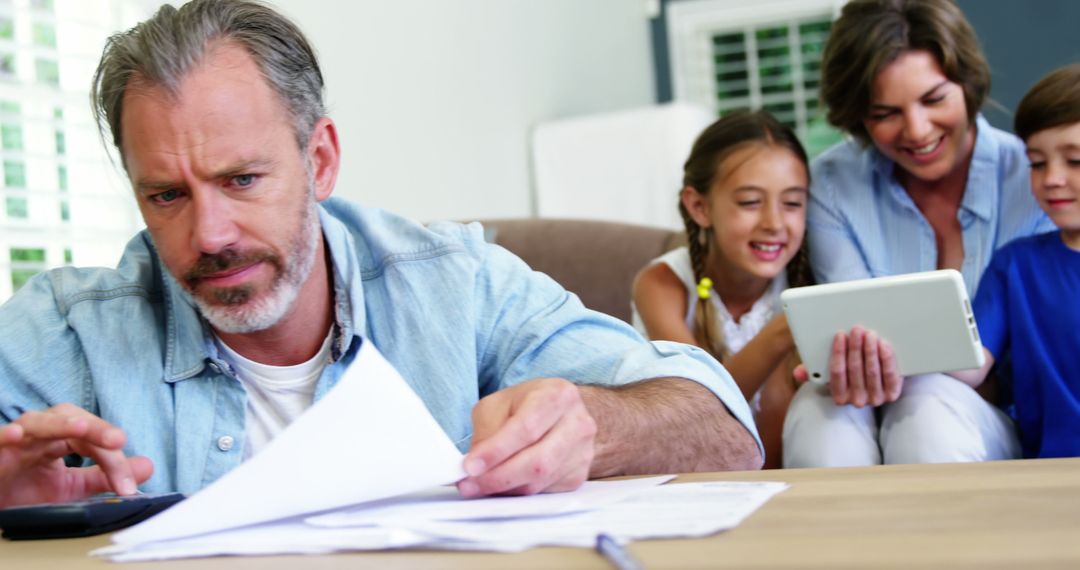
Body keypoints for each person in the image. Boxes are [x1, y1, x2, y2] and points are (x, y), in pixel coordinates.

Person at [0, 0, 762, 509]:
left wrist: (600, 426)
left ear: (321, 160)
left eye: (242, 179)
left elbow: (725, 425)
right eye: (166, 195)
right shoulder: (74, 327)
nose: (210, 235)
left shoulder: (455, 284)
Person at [782, 0, 1055, 467]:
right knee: (817, 409)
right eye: (885, 112)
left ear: (967, 85)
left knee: (927, 402)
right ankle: (829, 541)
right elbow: (851, 325)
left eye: (934, 99)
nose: (917, 130)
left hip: (989, 416)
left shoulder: (1035, 182)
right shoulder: (830, 184)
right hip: (864, 401)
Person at [631, 111, 812, 469]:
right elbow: (697, 405)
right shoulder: (663, 284)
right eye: (749, 202)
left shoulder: (808, 279)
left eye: (792, 203)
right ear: (699, 207)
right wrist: (780, 333)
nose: (774, 223)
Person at [949, 64, 1080, 458]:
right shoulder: (1015, 266)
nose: (1052, 178)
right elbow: (969, 366)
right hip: (1049, 471)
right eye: (1037, 163)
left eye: (1074, 160)